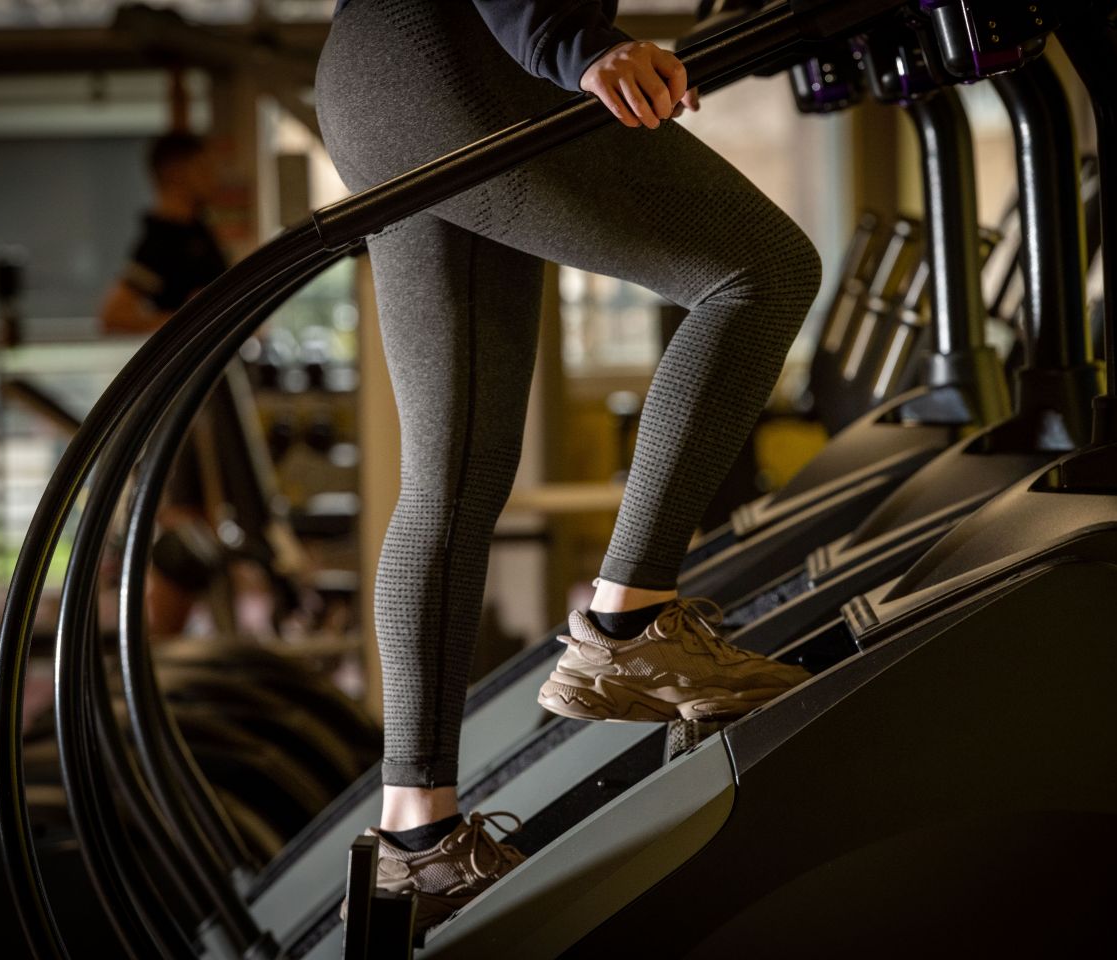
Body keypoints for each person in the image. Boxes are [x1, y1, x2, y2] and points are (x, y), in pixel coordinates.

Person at [317, 0, 819, 928]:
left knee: (454, 473)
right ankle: (628, 631)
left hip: (376, 76)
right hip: (460, 61)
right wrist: (577, 44)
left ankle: (415, 844)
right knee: (761, 272)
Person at [99, 132, 227, 636]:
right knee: (183, 533)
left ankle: (177, 652)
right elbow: (113, 315)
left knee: (207, 531)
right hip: (182, 401)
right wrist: (185, 319)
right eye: (204, 167)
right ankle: (158, 652)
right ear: (176, 173)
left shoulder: (196, 227)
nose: (214, 177)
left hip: (208, 394)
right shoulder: (164, 238)